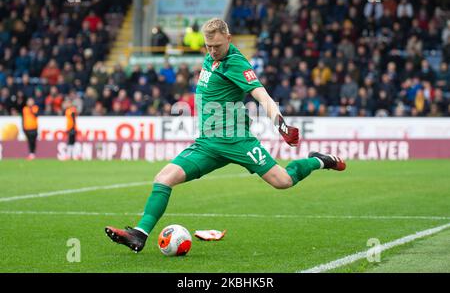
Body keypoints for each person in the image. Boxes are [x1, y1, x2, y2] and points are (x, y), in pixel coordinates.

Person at [105, 18, 346, 252]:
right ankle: (139, 234)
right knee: (163, 178)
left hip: (237, 141)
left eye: (217, 46)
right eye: (208, 46)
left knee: (283, 181)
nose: (212, 51)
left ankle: (319, 160)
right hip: (208, 143)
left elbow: (262, 96)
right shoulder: (211, 58)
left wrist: (281, 125)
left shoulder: (237, 63)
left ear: (228, 39)